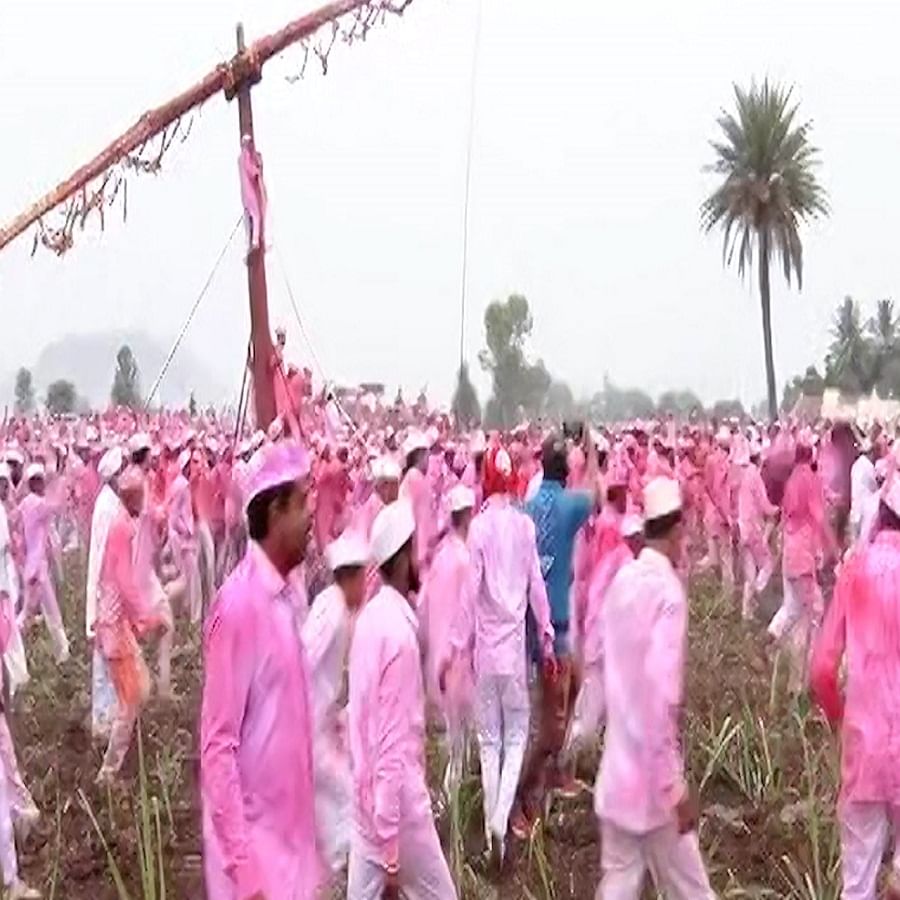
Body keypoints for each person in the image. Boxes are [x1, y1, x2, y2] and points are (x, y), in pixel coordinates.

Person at [201, 441, 323, 900]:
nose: (313, 514)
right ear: (274, 513)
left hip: (292, 849)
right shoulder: (237, 607)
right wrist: (244, 868)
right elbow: (218, 749)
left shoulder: (291, 595)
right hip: (256, 865)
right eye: (302, 502)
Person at [596, 477, 715, 899]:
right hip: (652, 786)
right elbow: (661, 698)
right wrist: (674, 785)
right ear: (678, 530)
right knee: (693, 891)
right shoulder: (667, 594)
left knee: (619, 883)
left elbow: (599, 662)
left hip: (617, 774)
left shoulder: (622, 582)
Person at [346, 501, 457, 900]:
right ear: (402, 558)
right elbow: (392, 743)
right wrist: (392, 847)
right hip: (398, 811)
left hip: (364, 802)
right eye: (414, 551)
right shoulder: (398, 637)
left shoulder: (370, 620)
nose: (420, 560)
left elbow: (358, 716)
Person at [455, 449, 555, 866]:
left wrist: (458, 645)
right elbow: (536, 587)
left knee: (488, 742)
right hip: (514, 651)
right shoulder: (525, 527)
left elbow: (469, 592)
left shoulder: (477, 530)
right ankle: (499, 823)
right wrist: (546, 637)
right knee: (515, 738)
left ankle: (495, 826)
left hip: (484, 652)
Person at [811, 480, 900, 900]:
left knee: (857, 882)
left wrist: (838, 719)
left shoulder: (855, 569)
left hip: (864, 746)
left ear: (880, 514)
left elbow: (823, 670)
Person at [513, 430, 598, 833]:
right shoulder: (567, 505)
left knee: (575, 682)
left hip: (536, 624)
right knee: (551, 728)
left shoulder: (530, 505)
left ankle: (553, 773)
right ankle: (523, 801)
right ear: (566, 473)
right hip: (554, 631)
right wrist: (593, 449)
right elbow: (597, 490)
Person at [94, 467, 169, 783]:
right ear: (134, 497)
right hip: (113, 627)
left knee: (138, 690)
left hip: (114, 625)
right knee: (133, 697)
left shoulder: (122, 524)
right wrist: (147, 617)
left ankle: (115, 751)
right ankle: (108, 772)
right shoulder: (123, 528)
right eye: (142, 495)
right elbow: (123, 582)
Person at [302, 533, 368, 878]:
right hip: (309, 723)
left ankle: (332, 863)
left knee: (328, 797)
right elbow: (305, 658)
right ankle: (344, 866)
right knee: (345, 793)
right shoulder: (334, 613)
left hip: (317, 721)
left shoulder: (331, 603)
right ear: (352, 577)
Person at [418, 485, 475, 799]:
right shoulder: (465, 560)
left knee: (452, 742)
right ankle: (451, 812)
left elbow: (423, 610)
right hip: (458, 663)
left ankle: (447, 806)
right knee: (459, 746)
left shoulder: (439, 559)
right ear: (466, 516)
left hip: (437, 663)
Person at [769, 440, 836, 694]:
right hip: (803, 558)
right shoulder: (809, 478)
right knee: (815, 612)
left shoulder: (792, 481)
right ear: (811, 456)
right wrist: (833, 549)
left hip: (790, 553)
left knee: (795, 610)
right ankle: (808, 678)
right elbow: (819, 516)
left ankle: (774, 640)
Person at [86, 447, 125, 740]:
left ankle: (106, 714)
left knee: (108, 655)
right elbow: (100, 555)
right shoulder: (108, 507)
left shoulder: (109, 502)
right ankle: (103, 717)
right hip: (106, 590)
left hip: (107, 589)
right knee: (105, 656)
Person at [18, 463, 69, 663]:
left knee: (40, 610)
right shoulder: (37, 505)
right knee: (36, 612)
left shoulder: (26, 503)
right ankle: (61, 650)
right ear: (35, 483)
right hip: (38, 567)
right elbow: (57, 506)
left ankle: (61, 649)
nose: (42, 484)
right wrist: (63, 482)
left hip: (33, 564)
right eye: (40, 481)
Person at [736, 441, 778, 621]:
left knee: (750, 573)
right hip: (753, 528)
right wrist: (777, 509)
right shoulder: (755, 476)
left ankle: (746, 613)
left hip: (742, 526)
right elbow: (764, 505)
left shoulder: (742, 475)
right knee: (768, 563)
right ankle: (757, 594)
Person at [168, 450, 200, 624]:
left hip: (182, 538)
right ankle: (193, 617)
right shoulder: (182, 486)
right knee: (190, 580)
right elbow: (175, 517)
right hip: (183, 540)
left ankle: (185, 613)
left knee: (187, 579)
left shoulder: (179, 484)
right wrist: (186, 529)